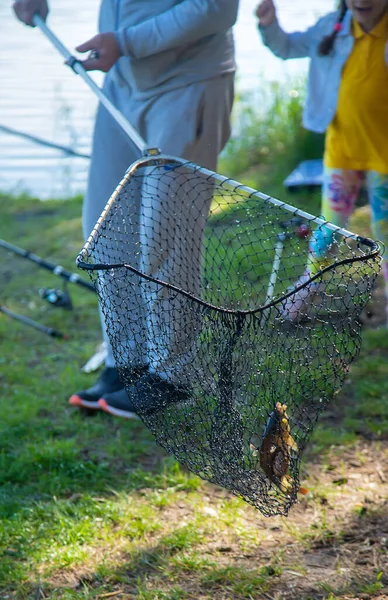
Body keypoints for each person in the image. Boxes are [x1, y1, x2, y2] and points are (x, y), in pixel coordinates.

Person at [14, 0, 239, 417]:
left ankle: (173, 375)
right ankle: (128, 363)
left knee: (165, 232)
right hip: (121, 85)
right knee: (103, 228)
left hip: (188, 81)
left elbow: (217, 9)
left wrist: (125, 41)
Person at [255, 0, 388, 321]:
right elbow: (286, 47)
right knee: (328, 226)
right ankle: (308, 286)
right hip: (341, 150)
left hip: (385, 157)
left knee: (385, 232)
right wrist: (269, 25)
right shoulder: (331, 27)